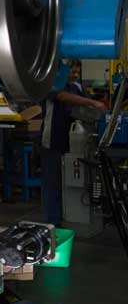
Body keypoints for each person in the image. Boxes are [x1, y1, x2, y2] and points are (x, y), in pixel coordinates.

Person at [40, 59, 106, 225]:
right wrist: (91, 102)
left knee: (72, 183)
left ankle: (72, 218)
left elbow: (88, 107)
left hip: (75, 144)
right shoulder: (51, 85)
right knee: (53, 185)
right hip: (52, 141)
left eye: (77, 72)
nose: (75, 75)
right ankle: (53, 223)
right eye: (72, 72)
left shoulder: (77, 87)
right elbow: (62, 97)